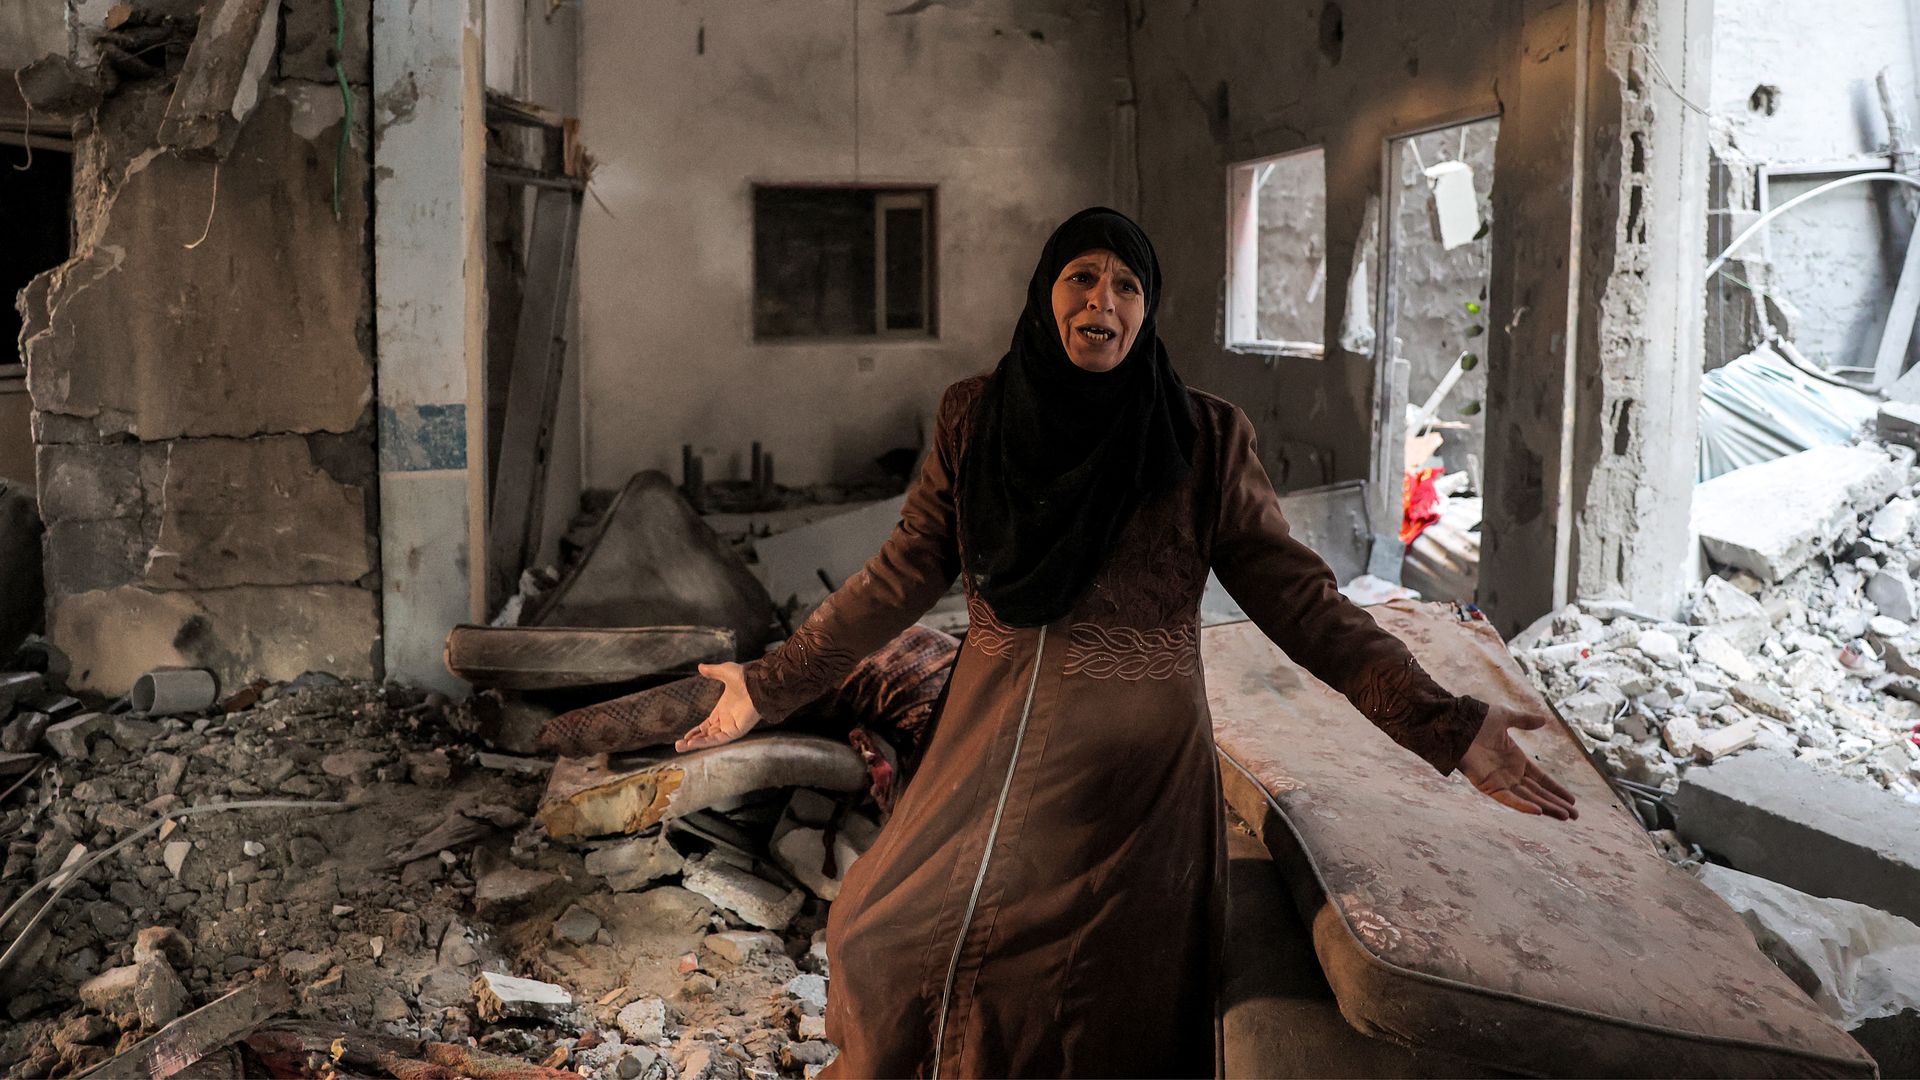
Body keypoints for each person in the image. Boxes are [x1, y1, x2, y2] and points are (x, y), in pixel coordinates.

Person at [675, 207, 1576, 1078]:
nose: (1101, 301)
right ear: (1047, 292)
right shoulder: (976, 419)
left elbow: (1304, 604)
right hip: (992, 734)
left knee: (1092, 988)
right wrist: (768, 683)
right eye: (1081, 277)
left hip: (1132, 772)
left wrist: (1448, 725)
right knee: (888, 934)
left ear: (1147, 309)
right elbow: (901, 574)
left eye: (1126, 285)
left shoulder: (1203, 438)